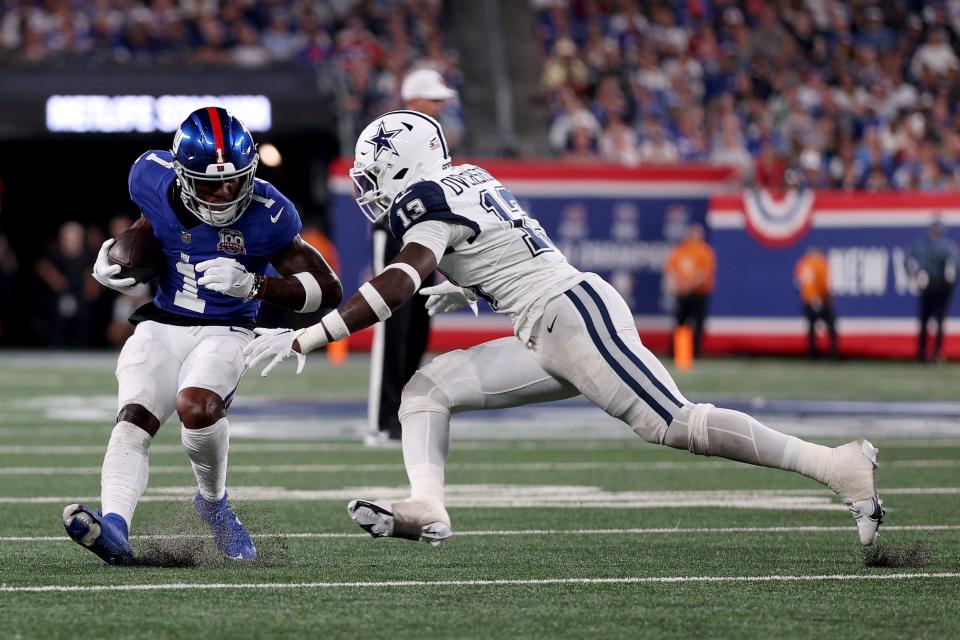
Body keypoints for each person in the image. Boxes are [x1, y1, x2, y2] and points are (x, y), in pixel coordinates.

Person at [244, 111, 883, 549]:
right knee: (427, 389)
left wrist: (308, 334)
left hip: (572, 315)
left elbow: (398, 283)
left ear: (403, 164)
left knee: (676, 423)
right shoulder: (464, 178)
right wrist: (464, 284)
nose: (369, 189)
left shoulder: (428, 199)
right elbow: (500, 246)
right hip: (545, 325)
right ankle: (428, 505)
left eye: (374, 172)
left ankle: (838, 465)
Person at [62, 106, 342, 565]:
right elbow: (149, 227)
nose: (226, 191)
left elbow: (327, 290)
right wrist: (114, 258)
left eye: (234, 179)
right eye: (211, 183)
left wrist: (257, 285)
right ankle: (113, 526)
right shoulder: (152, 178)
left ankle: (213, 503)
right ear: (182, 175)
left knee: (197, 405)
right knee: (133, 418)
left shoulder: (269, 212)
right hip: (162, 321)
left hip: (227, 327)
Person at [365, 69, 457, 446]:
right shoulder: (391, 133)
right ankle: (380, 418)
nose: (439, 107)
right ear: (414, 100)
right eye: (433, 100)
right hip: (393, 229)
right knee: (392, 324)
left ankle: (402, 412)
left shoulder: (430, 137)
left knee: (419, 323)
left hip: (426, 230)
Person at [905, 219, 958, 362]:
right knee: (924, 320)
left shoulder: (948, 246)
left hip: (942, 286)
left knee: (939, 321)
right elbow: (908, 261)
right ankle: (921, 352)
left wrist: (950, 279)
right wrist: (915, 274)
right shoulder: (921, 245)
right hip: (927, 284)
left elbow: (954, 266)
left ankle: (937, 352)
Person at [663, 223, 715, 358]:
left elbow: (704, 273)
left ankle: (695, 352)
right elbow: (671, 270)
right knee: (680, 323)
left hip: (699, 293)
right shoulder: (681, 251)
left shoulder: (704, 251)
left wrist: (688, 286)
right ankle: (678, 352)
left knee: (698, 324)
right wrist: (678, 286)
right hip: (683, 293)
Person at [794, 246, 838, 359]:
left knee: (811, 329)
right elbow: (826, 284)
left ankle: (812, 354)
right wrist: (827, 298)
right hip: (822, 300)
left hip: (808, 300)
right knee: (831, 327)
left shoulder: (802, 263)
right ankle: (832, 354)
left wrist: (809, 296)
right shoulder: (820, 263)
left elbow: (798, 283)